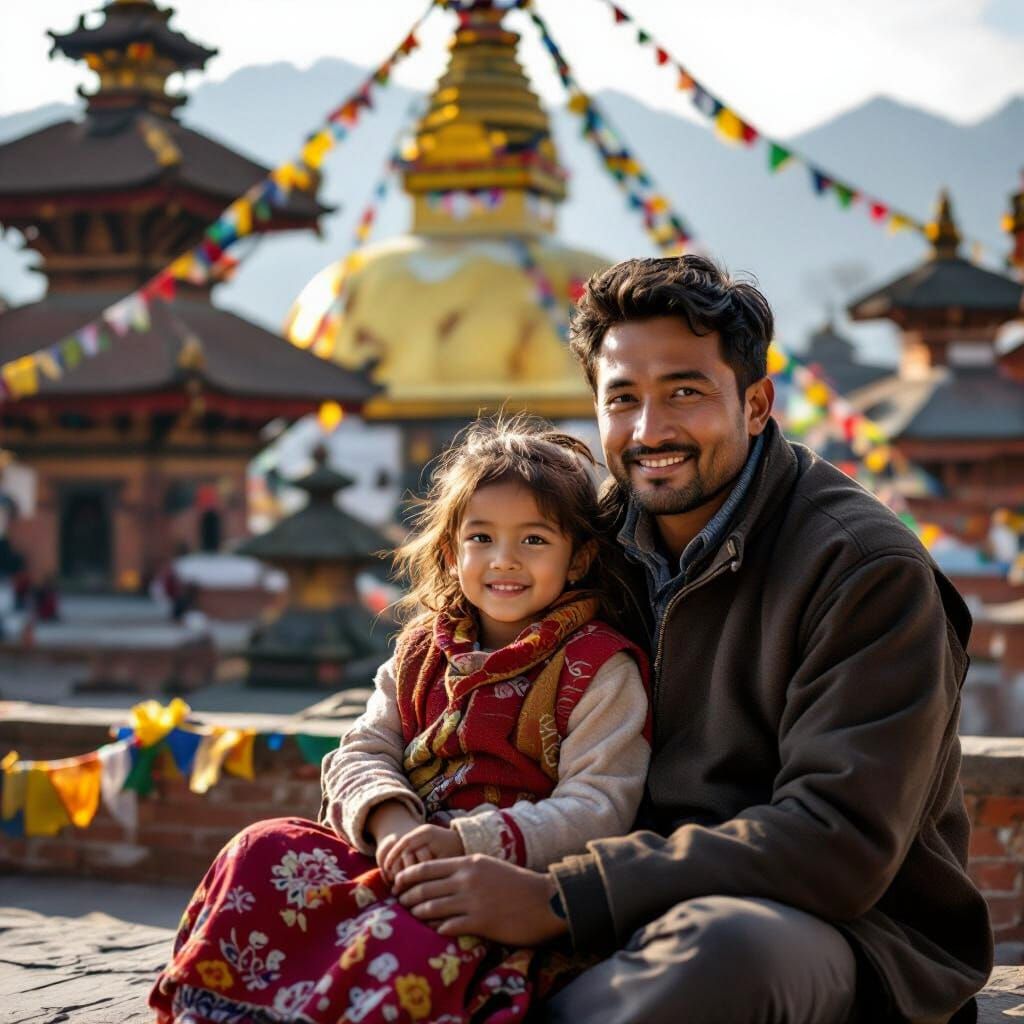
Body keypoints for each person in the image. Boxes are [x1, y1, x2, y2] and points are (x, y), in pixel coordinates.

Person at [390, 256, 992, 1024]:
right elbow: (442, 689)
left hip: (830, 928)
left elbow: (837, 844)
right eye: (623, 399)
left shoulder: (863, 569)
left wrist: (564, 900)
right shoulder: (583, 546)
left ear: (755, 403)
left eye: (684, 392)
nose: (651, 430)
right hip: (583, 891)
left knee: (719, 955)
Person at [149, 418, 650, 1023]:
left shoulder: (600, 668)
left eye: (535, 541)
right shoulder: (420, 650)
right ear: (450, 551)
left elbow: (600, 807)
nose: (504, 561)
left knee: (399, 936)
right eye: (482, 538)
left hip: (497, 881)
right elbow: (364, 746)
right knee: (260, 847)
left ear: (579, 559)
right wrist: (389, 822)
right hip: (397, 850)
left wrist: (463, 842)